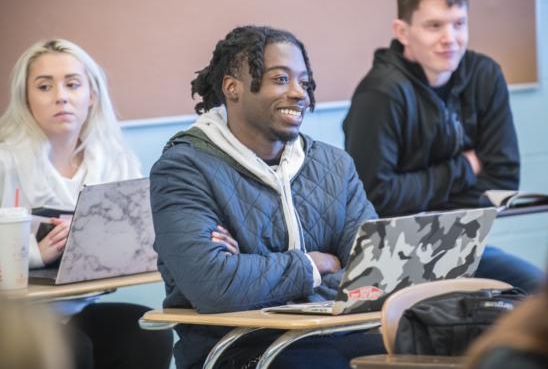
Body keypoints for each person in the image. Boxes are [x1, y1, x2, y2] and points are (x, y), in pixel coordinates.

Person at [150, 25, 386, 369]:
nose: (299, 93)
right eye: (280, 80)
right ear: (233, 88)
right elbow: (216, 286)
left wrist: (258, 273)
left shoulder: (334, 164)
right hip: (240, 346)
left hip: (335, 330)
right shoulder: (183, 169)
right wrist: (316, 263)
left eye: (303, 82)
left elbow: (373, 270)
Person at [342, 0, 543, 293]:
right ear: (403, 31)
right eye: (434, 26)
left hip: (463, 241)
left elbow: (502, 179)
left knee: (544, 292)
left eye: (459, 24)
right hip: (396, 254)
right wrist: (464, 168)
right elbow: (376, 197)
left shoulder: (485, 75)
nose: (450, 37)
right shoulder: (379, 94)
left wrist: (425, 202)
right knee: (444, 322)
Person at [0, 39, 173, 369]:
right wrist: (35, 255)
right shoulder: (5, 162)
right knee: (70, 348)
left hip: (76, 310)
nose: (61, 96)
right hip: (13, 320)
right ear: (26, 99)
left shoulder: (115, 162)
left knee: (148, 332)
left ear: (91, 95)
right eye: (44, 86)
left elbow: (145, 239)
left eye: (73, 84)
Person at [466, 171, 548, 369]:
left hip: (466, 236)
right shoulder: (519, 360)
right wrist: (464, 166)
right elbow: (394, 192)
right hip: (458, 241)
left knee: (534, 281)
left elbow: (501, 175)